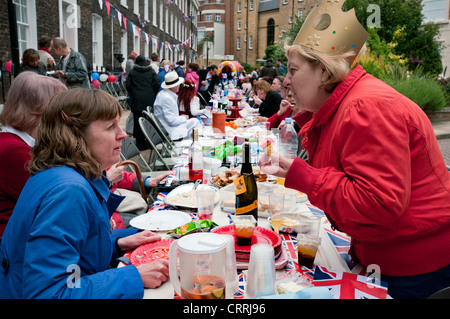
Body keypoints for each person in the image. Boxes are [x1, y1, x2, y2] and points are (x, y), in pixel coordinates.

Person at [259, 1, 450, 299]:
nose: (285, 82)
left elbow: (379, 203)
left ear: (322, 71)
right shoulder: (346, 105)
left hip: (414, 268)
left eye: (293, 70)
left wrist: (306, 177)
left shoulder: (366, 107)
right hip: (384, 254)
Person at [0, 88, 170, 298]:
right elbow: (49, 292)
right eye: (110, 127)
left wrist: (116, 243)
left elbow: (75, 251)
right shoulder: (68, 191)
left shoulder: (62, 174)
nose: (123, 134)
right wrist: (133, 276)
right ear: (76, 136)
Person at [0, 72, 67, 237]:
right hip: (17, 246)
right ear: (41, 110)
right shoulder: (14, 151)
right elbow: (57, 201)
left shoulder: (17, 143)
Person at [125, 55, 160, 150]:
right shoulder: (151, 71)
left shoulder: (133, 72)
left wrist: (133, 93)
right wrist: (152, 93)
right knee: (149, 121)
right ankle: (150, 142)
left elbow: (128, 85)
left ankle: (140, 144)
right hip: (149, 99)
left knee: (137, 122)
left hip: (137, 100)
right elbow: (157, 84)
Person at [153, 72, 200, 140]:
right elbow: (171, 121)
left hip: (166, 126)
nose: (179, 85)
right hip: (169, 130)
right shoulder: (167, 98)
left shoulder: (163, 94)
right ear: (174, 86)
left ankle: (190, 142)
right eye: (178, 84)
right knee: (195, 122)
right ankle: (192, 143)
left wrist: (181, 117)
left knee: (194, 121)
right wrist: (183, 118)